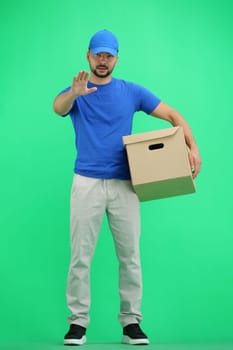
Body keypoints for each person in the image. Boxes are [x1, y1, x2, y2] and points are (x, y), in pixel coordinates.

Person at [53, 29, 202, 346]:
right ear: (88, 55)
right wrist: (74, 94)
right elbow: (58, 107)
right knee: (80, 256)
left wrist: (193, 146)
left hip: (125, 184)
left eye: (109, 55)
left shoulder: (131, 91)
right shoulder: (77, 91)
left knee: (130, 256)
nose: (103, 60)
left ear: (117, 58)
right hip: (86, 182)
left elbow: (172, 114)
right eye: (98, 54)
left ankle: (131, 323)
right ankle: (77, 324)